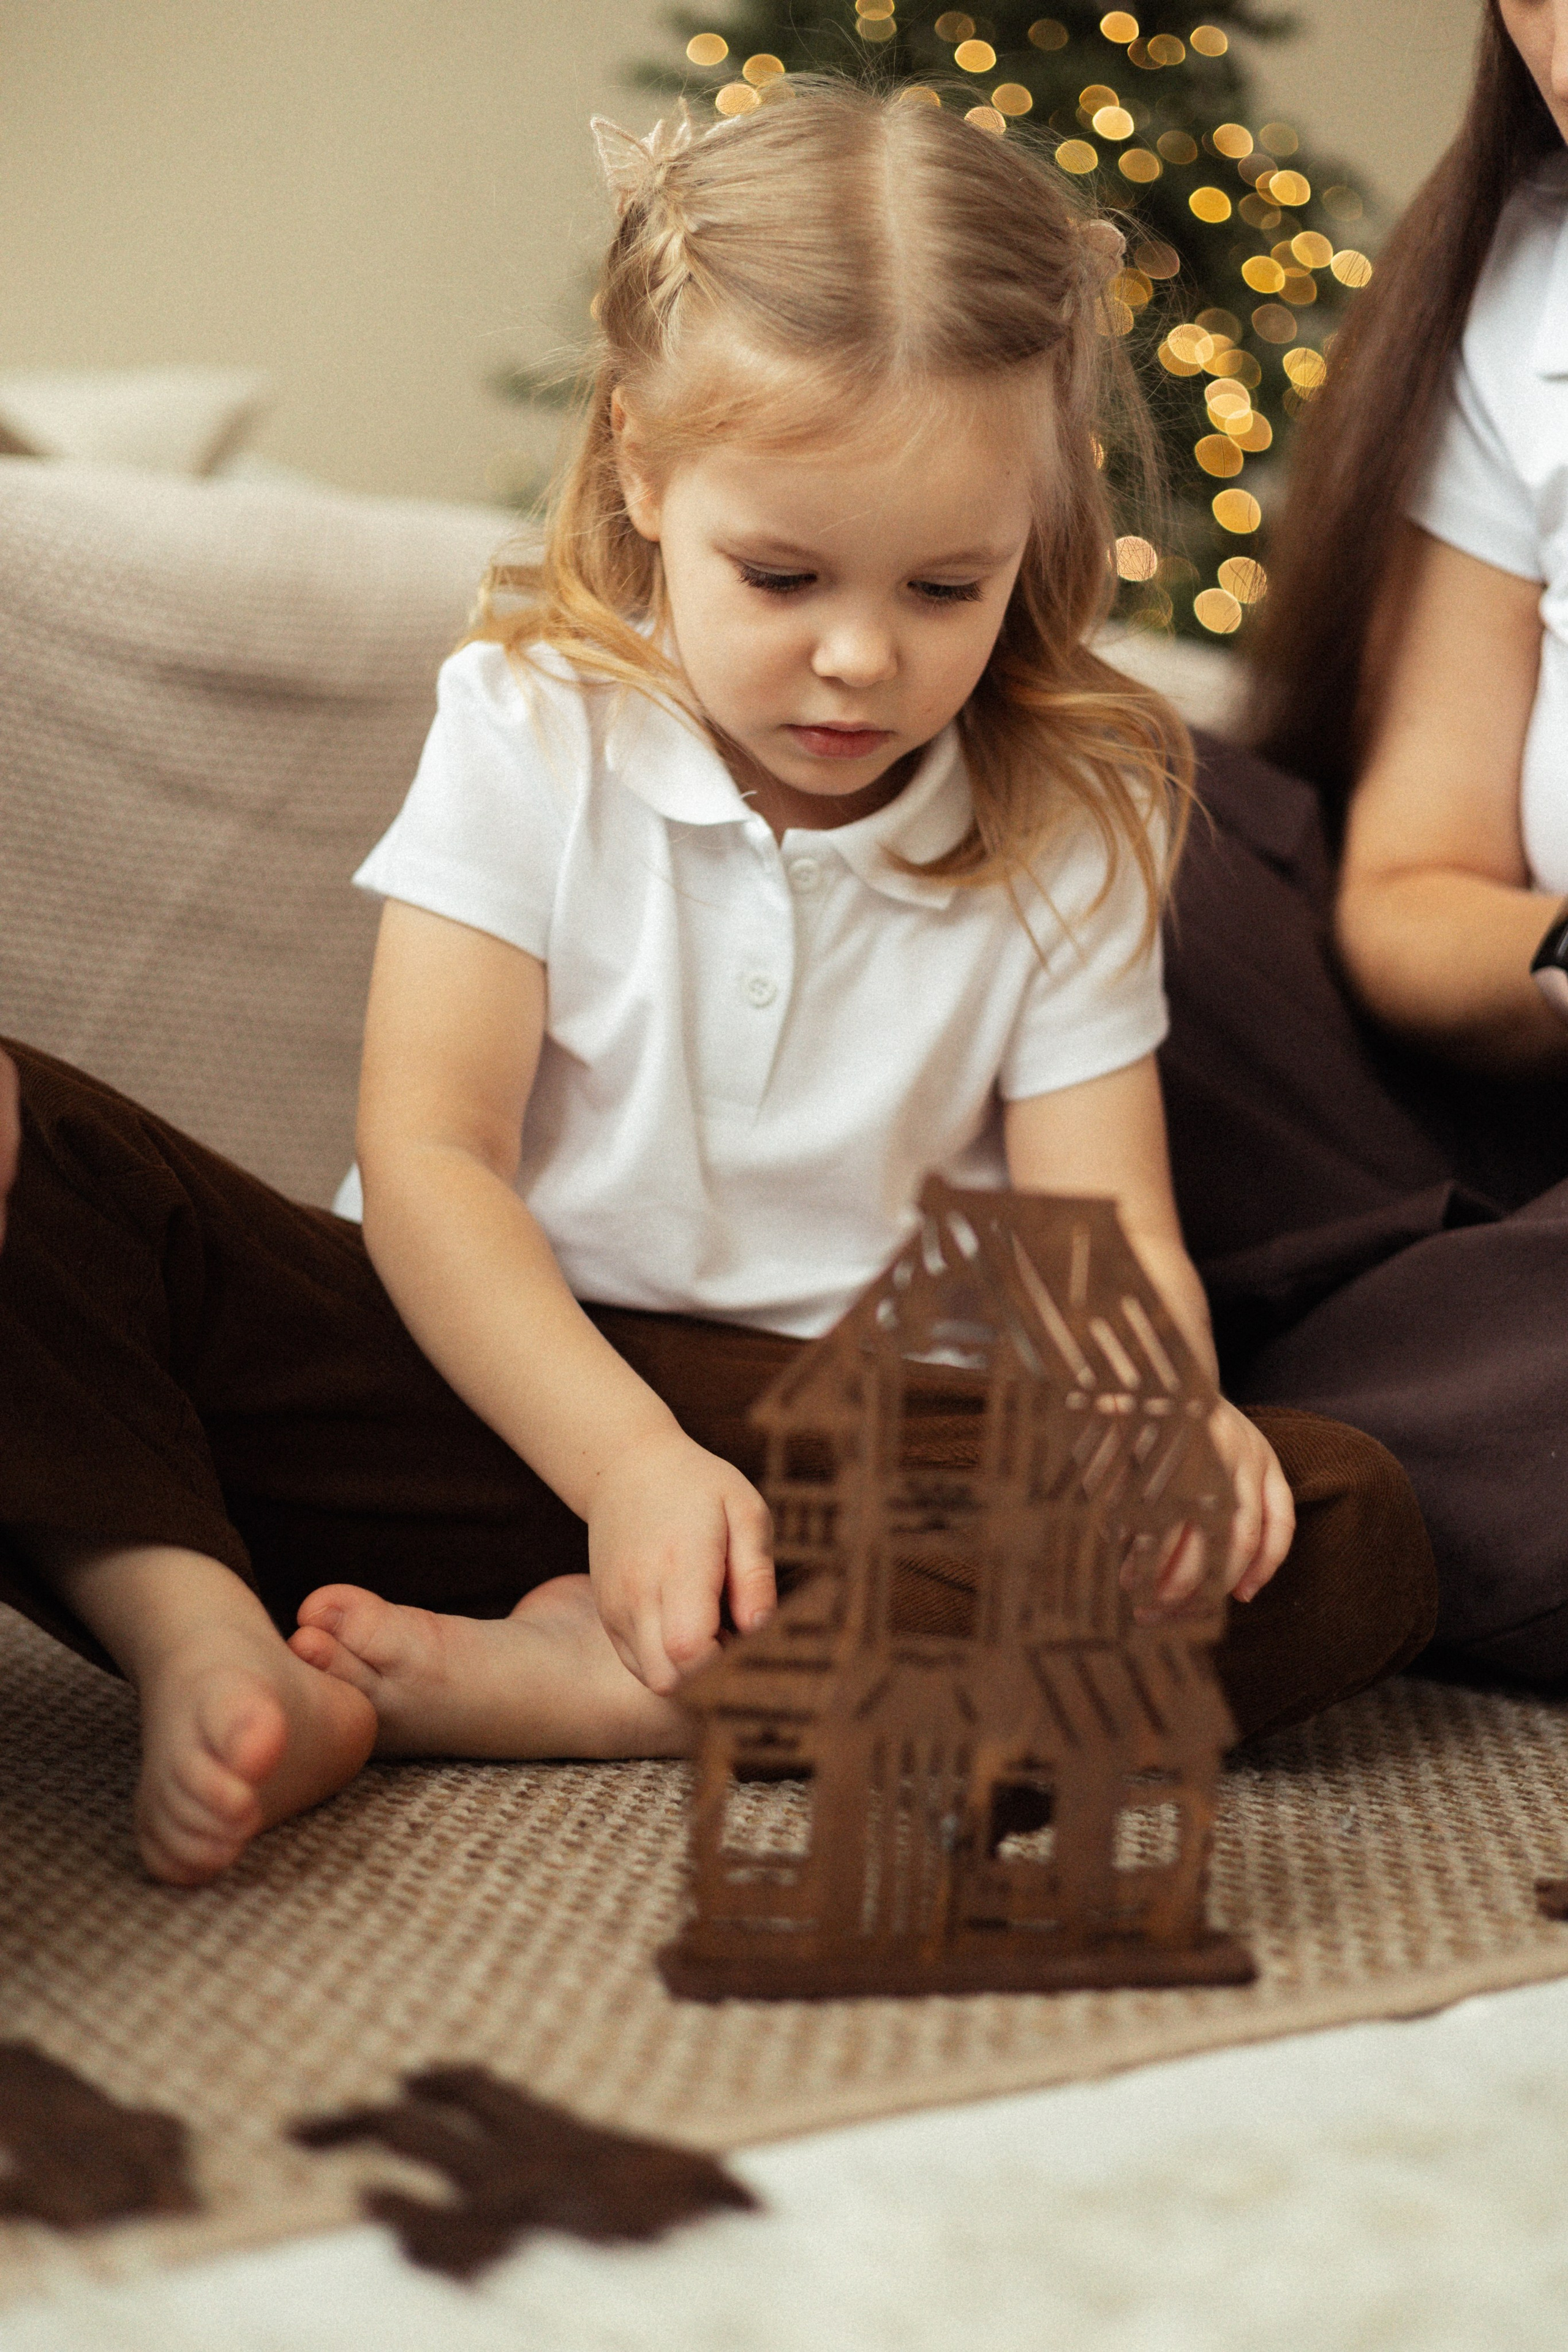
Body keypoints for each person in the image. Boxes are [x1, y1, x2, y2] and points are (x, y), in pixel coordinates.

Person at [0, 82, 1434, 1887]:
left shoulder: (1075, 816)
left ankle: (646, 1690)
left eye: (946, 587)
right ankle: (199, 1632)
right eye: (782, 575)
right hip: (467, 1382)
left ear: (1037, 520)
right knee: (24, 1158)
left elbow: (1103, 1232)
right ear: (640, 467)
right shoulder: (530, 724)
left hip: (836, 1452)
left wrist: (1162, 1415)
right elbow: (434, 1160)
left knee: (1339, 1530)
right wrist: (624, 1468)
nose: (859, 657)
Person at [1159, 1, 1568, 1684]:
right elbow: (1411, 896)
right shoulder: (1527, 274)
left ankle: (1230, 1473)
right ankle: (1289, 1445)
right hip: (1505, 1118)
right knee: (1102, 816)